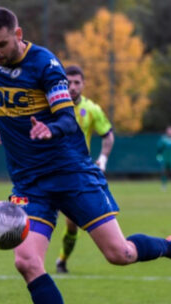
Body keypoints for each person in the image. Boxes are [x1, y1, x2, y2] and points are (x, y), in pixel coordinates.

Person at [0, 7, 171, 304]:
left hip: (71, 175)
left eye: (1, 44)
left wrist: (50, 129)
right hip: (29, 183)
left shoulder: (46, 65)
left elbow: (67, 118)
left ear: (18, 35)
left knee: (119, 254)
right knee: (27, 261)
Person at [55, 65, 115, 274]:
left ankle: (62, 260)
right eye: (68, 82)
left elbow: (108, 136)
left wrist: (103, 159)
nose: (72, 87)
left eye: (76, 83)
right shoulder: (50, 106)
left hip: (75, 175)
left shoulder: (92, 110)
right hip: (48, 171)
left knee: (72, 226)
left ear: (83, 84)